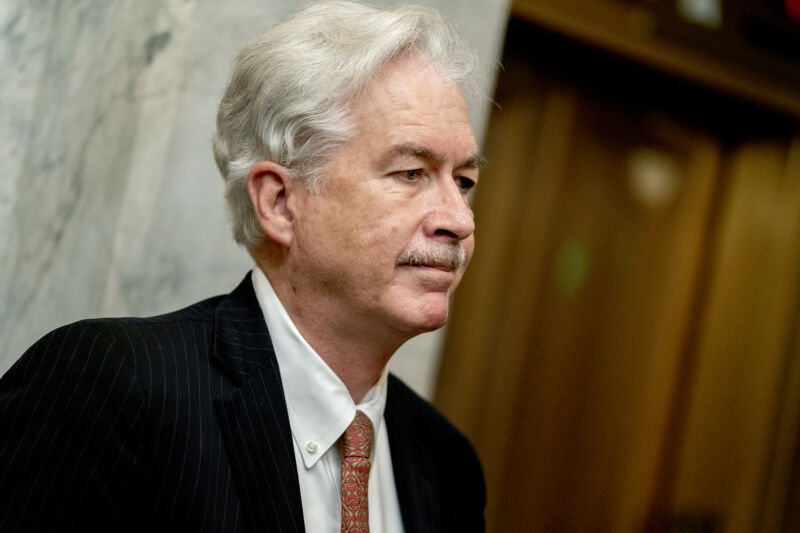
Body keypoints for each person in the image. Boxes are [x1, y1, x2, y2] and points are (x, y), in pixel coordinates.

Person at [0, 2, 486, 532]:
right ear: (279, 203)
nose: (458, 219)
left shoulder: (447, 464)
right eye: (411, 173)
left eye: (463, 181)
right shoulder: (112, 390)